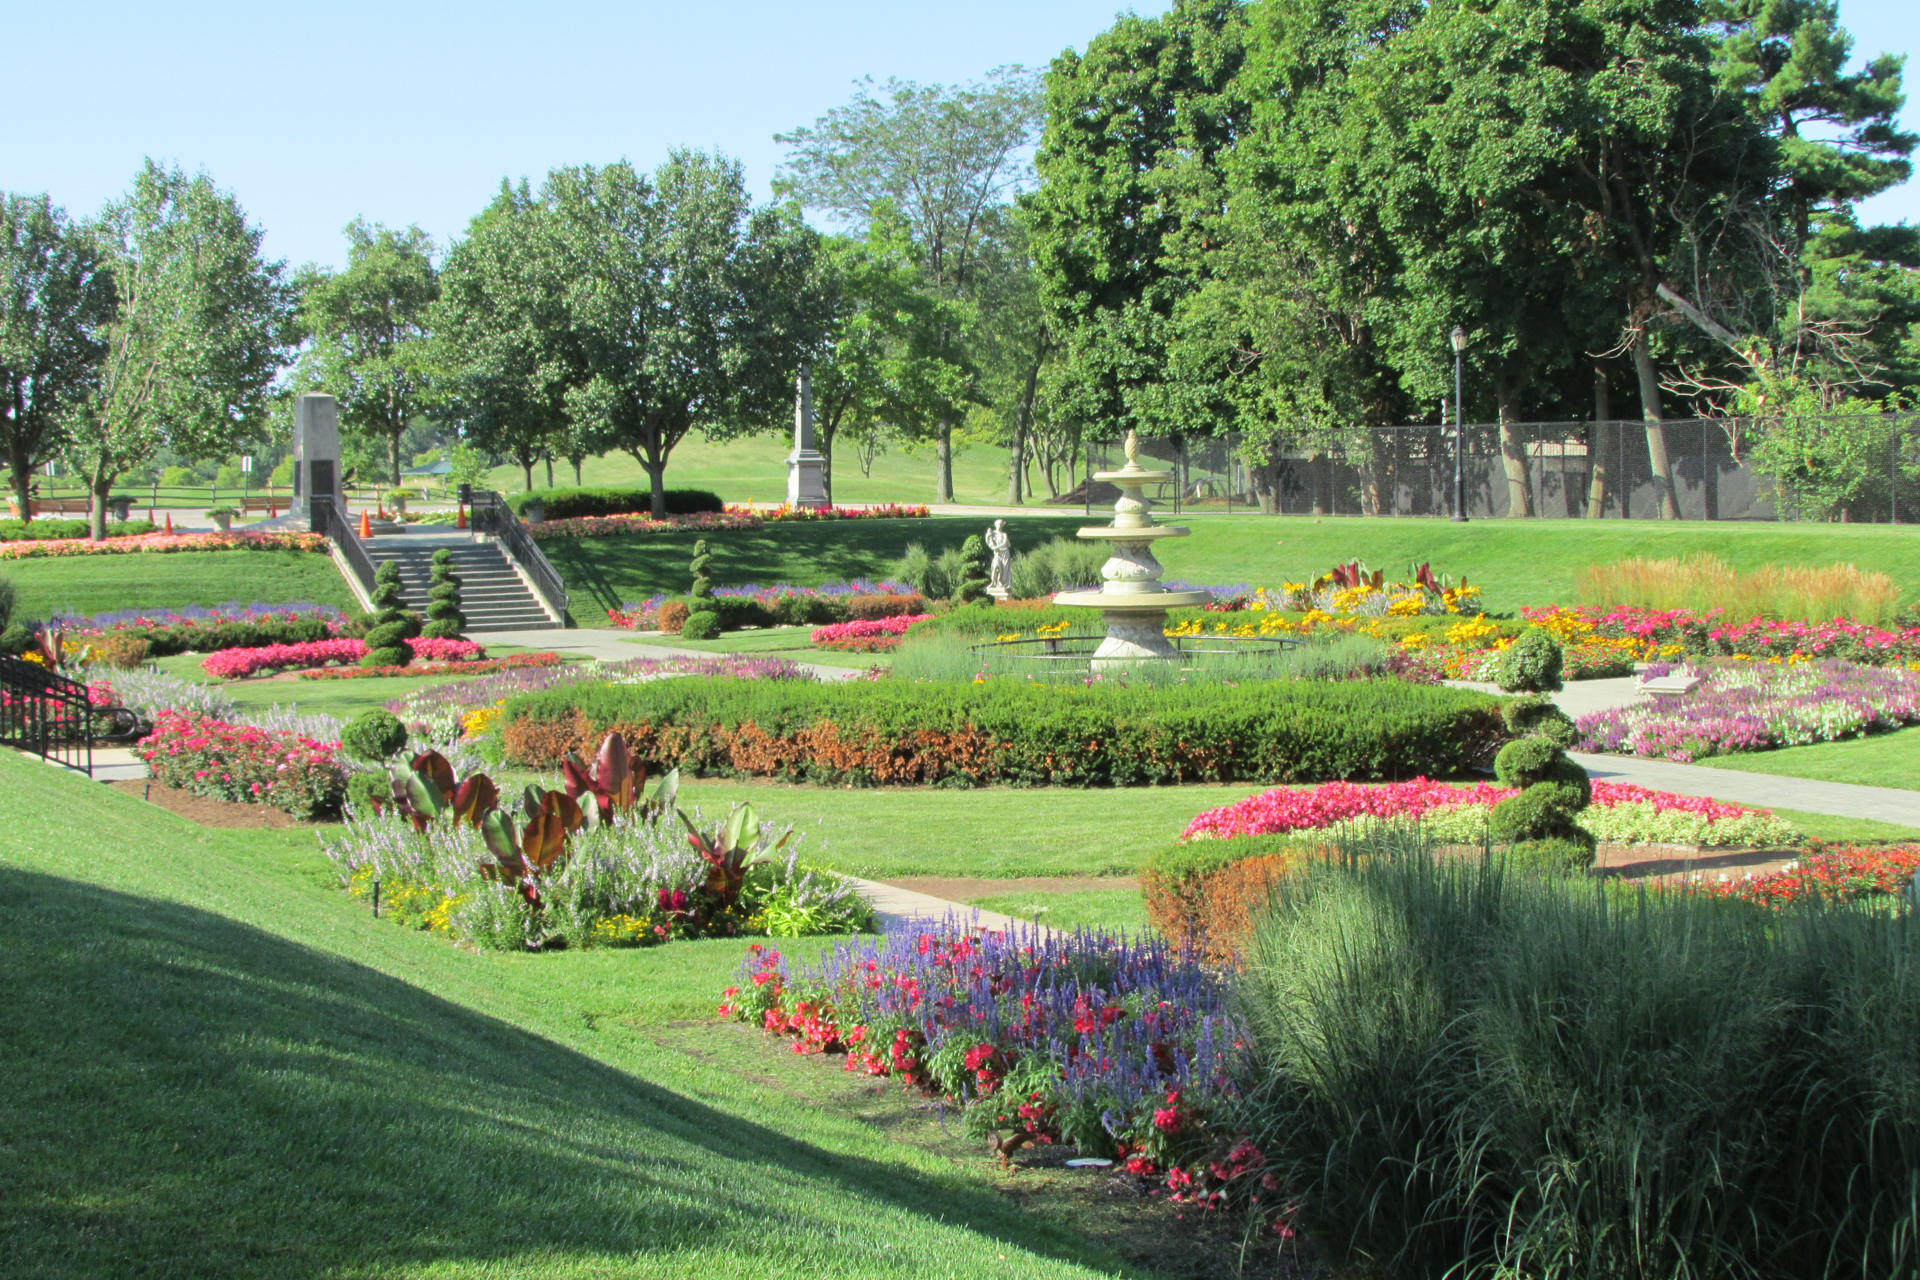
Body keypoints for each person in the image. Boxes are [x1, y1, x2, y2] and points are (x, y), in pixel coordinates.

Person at [986, 519, 1012, 594]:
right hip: (997, 554)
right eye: (998, 524)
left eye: (1001, 525)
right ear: (995, 525)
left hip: (1004, 552)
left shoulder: (1004, 534)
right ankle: (994, 583)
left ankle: (1001, 584)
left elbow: (1004, 543)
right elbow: (988, 541)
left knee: (1004, 569)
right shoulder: (992, 533)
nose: (999, 526)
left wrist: (996, 547)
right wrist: (988, 536)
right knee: (995, 567)